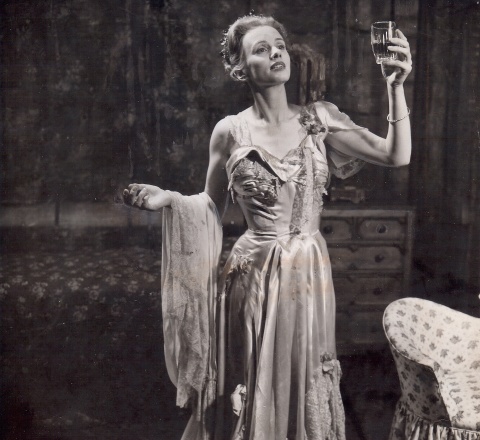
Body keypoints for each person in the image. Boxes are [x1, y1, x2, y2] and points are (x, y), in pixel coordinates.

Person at [123, 14, 412, 440]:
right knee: (249, 379)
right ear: (240, 68)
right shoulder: (230, 131)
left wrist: (395, 86)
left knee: (300, 380)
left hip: (308, 274)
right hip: (252, 274)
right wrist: (170, 200)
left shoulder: (319, 118)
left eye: (279, 45)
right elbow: (210, 206)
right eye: (261, 49)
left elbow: (395, 155)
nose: (276, 52)